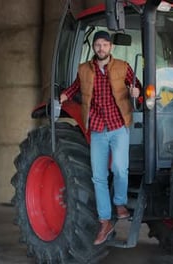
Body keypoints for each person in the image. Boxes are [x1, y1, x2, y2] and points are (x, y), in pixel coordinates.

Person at [60, 30, 141, 245]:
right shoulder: (84, 69)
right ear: (94, 48)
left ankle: (120, 203)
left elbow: (137, 86)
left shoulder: (123, 66)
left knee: (120, 168)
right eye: (98, 45)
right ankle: (105, 220)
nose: (101, 48)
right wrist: (64, 95)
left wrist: (137, 93)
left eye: (105, 44)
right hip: (97, 128)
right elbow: (75, 87)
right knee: (98, 176)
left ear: (110, 47)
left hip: (118, 125)